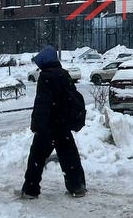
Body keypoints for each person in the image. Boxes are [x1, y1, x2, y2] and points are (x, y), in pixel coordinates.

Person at [21, 46, 87, 198]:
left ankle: (30, 190)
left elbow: (42, 104)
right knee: (70, 157)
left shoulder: (46, 77)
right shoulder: (64, 74)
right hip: (63, 125)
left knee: (36, 158)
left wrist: (37, 125)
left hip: (48, 127)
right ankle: (77, 187)